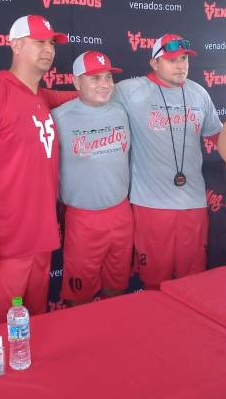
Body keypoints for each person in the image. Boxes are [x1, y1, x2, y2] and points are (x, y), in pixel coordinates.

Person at [0, 14, 75, 329]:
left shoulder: (41, 96)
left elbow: (79, 97)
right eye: (39, 42)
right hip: (1, 245)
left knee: (31, 332)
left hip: (40, 239)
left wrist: (101, 86)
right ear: (16, 45)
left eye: (51, 43)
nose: (48, 49)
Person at [113, 34, 222, 289]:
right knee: (153, 282)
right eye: (172, 59)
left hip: (193, 203)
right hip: (150, 205)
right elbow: (91, 99)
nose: (181, 65)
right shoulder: (130, 90)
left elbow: (219, 137)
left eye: (183, 59)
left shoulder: (199, 93)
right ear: (154, 63)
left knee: (192, 283)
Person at [52, 51, 132, 306]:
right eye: (95, 79)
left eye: (108, 77)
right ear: (76, 83)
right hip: (83, 218)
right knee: (80, 296)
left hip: (121, 212)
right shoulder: (59, 118)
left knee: (117, 287)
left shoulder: (121, 111)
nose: (105, 84)